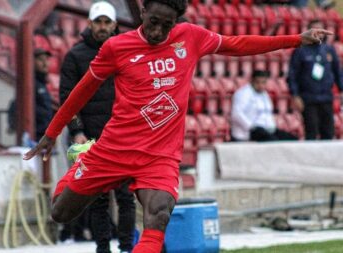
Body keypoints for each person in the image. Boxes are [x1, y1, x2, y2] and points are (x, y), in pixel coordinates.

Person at [23, 0, 332, 252]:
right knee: (60, 213)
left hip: (160, 156)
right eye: (153, 21)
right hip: (113, 149)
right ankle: (84, 161)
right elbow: (83, 89)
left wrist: (295, 40)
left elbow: (238, 44)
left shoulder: (190, 36)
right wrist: (52, 133)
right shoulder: (117, 48)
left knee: (158, 214)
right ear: (142, 12)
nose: (158, 31)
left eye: (166, 25)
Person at [59, 2, 136, 252]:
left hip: (122, 136)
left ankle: (126, 247)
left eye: (107, 22)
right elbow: (67, 98)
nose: (102, 27)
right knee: (97, 198)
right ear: (90, 24)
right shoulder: (75, 56)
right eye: (98, 22)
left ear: (114, 25)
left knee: (126, 197)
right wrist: (76, 130)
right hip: (91, 137)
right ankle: (102, 248)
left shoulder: (126, 52)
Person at [288, 19, 343, 140]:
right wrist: (295, 95)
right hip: (308, 98)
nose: (319, 34)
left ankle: (328, 159)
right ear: (309, 31)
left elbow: (337, 72)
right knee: (311, 131)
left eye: (321, 30)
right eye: (315, 30)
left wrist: (341, 89)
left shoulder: (329, 50)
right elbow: (292, 75)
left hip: (326, 98)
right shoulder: (300, 51)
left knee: (328, 132)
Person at [231, 70, 298, 142]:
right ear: (252, 81)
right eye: (258, 82)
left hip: (267, 129)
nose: (260, 85)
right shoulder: (243, 93)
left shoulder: (264, 94)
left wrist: (272, 126)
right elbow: (236, 114)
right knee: (273, 141)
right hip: (250, 131)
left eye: (263, 83)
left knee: (292, 139)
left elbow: (268, 113)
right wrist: (251, 127)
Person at [8, 48, 54, 142]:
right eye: (41, 60)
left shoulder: (41, 83)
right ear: (31, 62)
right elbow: (16, 104)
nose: (45, 63)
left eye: (46, 60)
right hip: (34, 136)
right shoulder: (29, 83)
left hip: (44, 135)